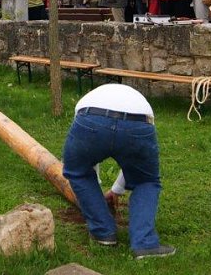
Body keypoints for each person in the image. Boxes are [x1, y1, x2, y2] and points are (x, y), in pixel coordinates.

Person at [61, 83, 175, 259]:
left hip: (91, 119)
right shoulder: (138, 100)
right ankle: (145, 245)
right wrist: (117, 191)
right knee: (145, 181)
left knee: (79, 172)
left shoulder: (87, 101)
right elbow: (135, 167)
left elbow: (87, 165)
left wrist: (98, 192)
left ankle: (103, 233)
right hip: (138, 122)